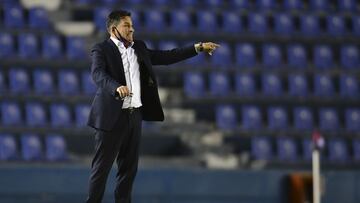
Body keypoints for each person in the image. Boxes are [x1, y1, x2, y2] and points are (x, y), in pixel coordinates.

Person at [86, 9, 219, 203]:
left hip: (134, 116)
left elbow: (167, 56)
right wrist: (116, 88)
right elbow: (98, 74)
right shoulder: (101, 49)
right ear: (113, 29)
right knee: (101, 169)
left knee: (129, 169)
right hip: (111, 118)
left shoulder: (139, 48)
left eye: (132, 25)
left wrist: (197, 48)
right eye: (127, 26)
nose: (132, 29)